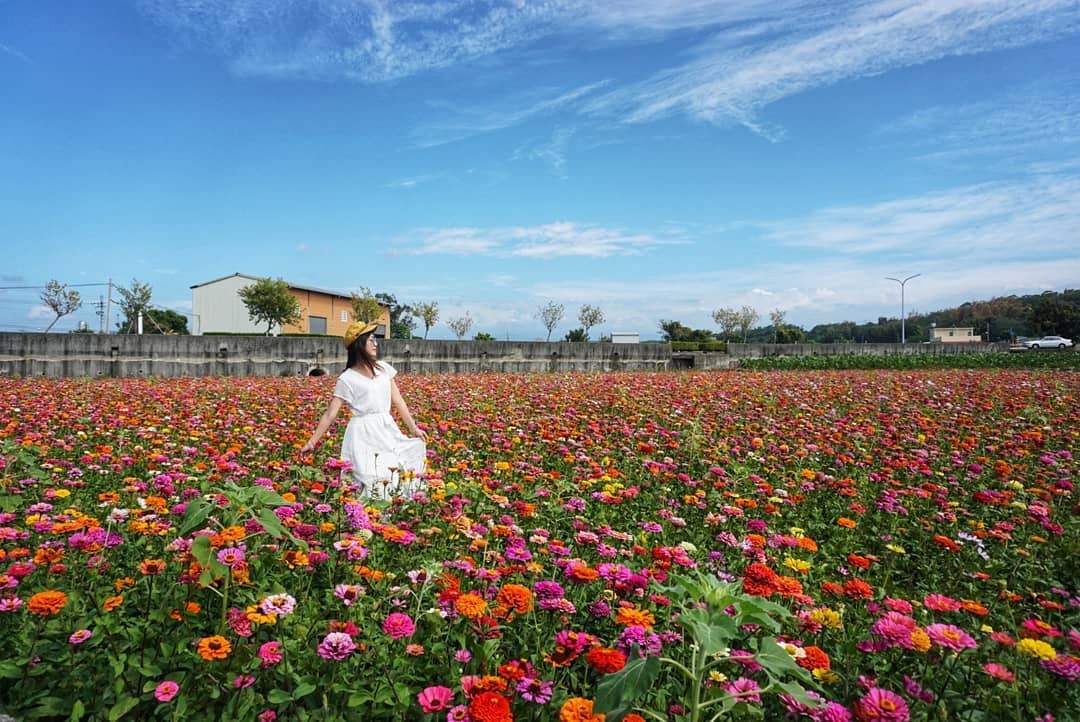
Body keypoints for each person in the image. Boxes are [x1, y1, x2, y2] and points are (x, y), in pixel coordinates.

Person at [301, 321, 427, 499]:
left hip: (386, 427)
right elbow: (330, 413)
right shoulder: (347, 379)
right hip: (363, 433)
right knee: (370, 475)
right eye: (371, 340)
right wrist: (312, 442)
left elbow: (398, 401)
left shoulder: (383, 368)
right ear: (359, 345)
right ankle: (366, 520)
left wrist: (414, 428)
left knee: (393, 472)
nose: (376, 344)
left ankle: (389, 516)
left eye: (375, 339)